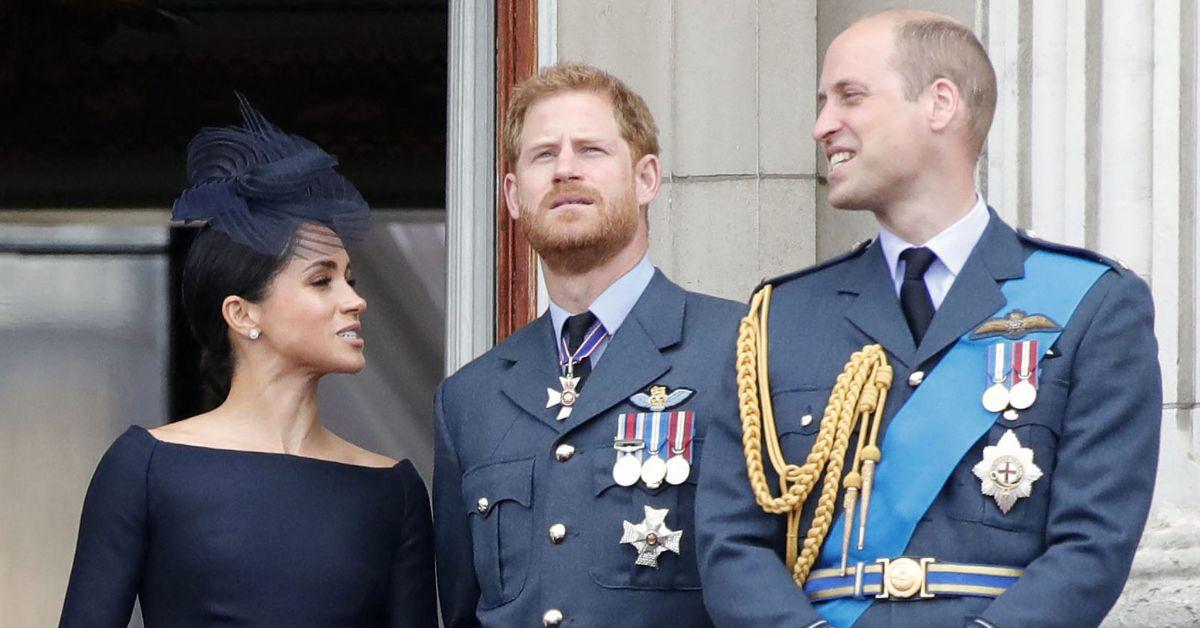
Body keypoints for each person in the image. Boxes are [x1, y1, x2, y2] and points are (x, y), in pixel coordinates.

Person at [696, 10, 1160, 628]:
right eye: (822, 102)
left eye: (850, 97)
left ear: (939, 103)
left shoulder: (1093, 305)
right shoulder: (779, 318)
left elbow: (1092, 546)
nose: (822, 125)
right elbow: (732, 543)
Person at [59, 96, 437, 627]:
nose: (355, 300)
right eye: (321, 279)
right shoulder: (145, 467)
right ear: (242, 313)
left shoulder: (392, 489)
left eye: (349, 279)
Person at [433, 62, 742, 627]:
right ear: (513, 194)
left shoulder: (739, 348)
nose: (565, 169)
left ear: (647, 178)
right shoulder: (468, 398)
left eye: (591, 150)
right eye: (543, 154)